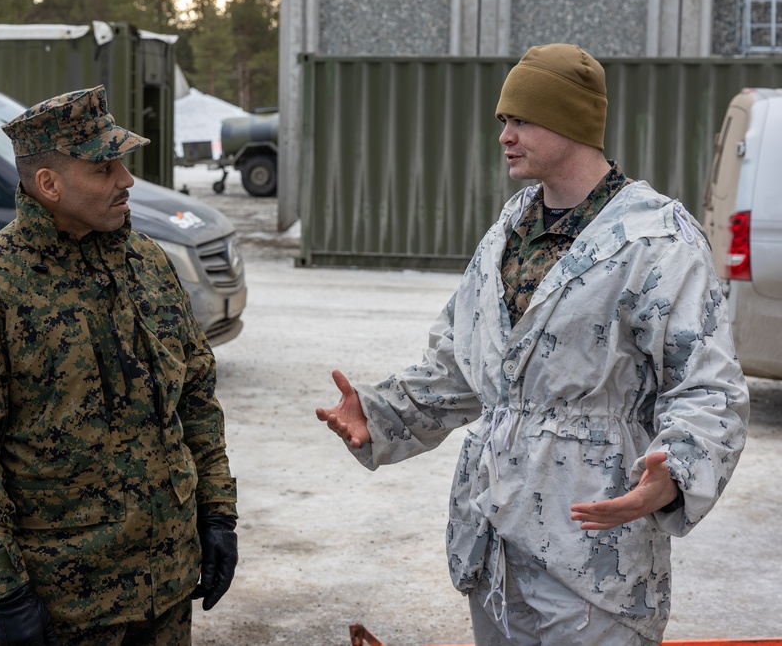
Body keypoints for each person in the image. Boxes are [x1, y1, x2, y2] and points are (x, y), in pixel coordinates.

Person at [316, 43, 748, 645]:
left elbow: (709, 386)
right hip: (494, 535)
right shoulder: (512, 227)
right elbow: (466, 363)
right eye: (503, 121)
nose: (505, 135)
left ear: (571, 121)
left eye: (521, 119)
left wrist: (674, 471)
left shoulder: (657, 237)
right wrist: (384, 411)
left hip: (593, 544)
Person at [0, 85, 238, 646]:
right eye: (104, 166)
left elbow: (195, 395)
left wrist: (217, 514)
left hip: (165, 589)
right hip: (64, 606)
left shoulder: (147, 264)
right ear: (49, 183)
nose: (127, 180)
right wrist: (7, 592)